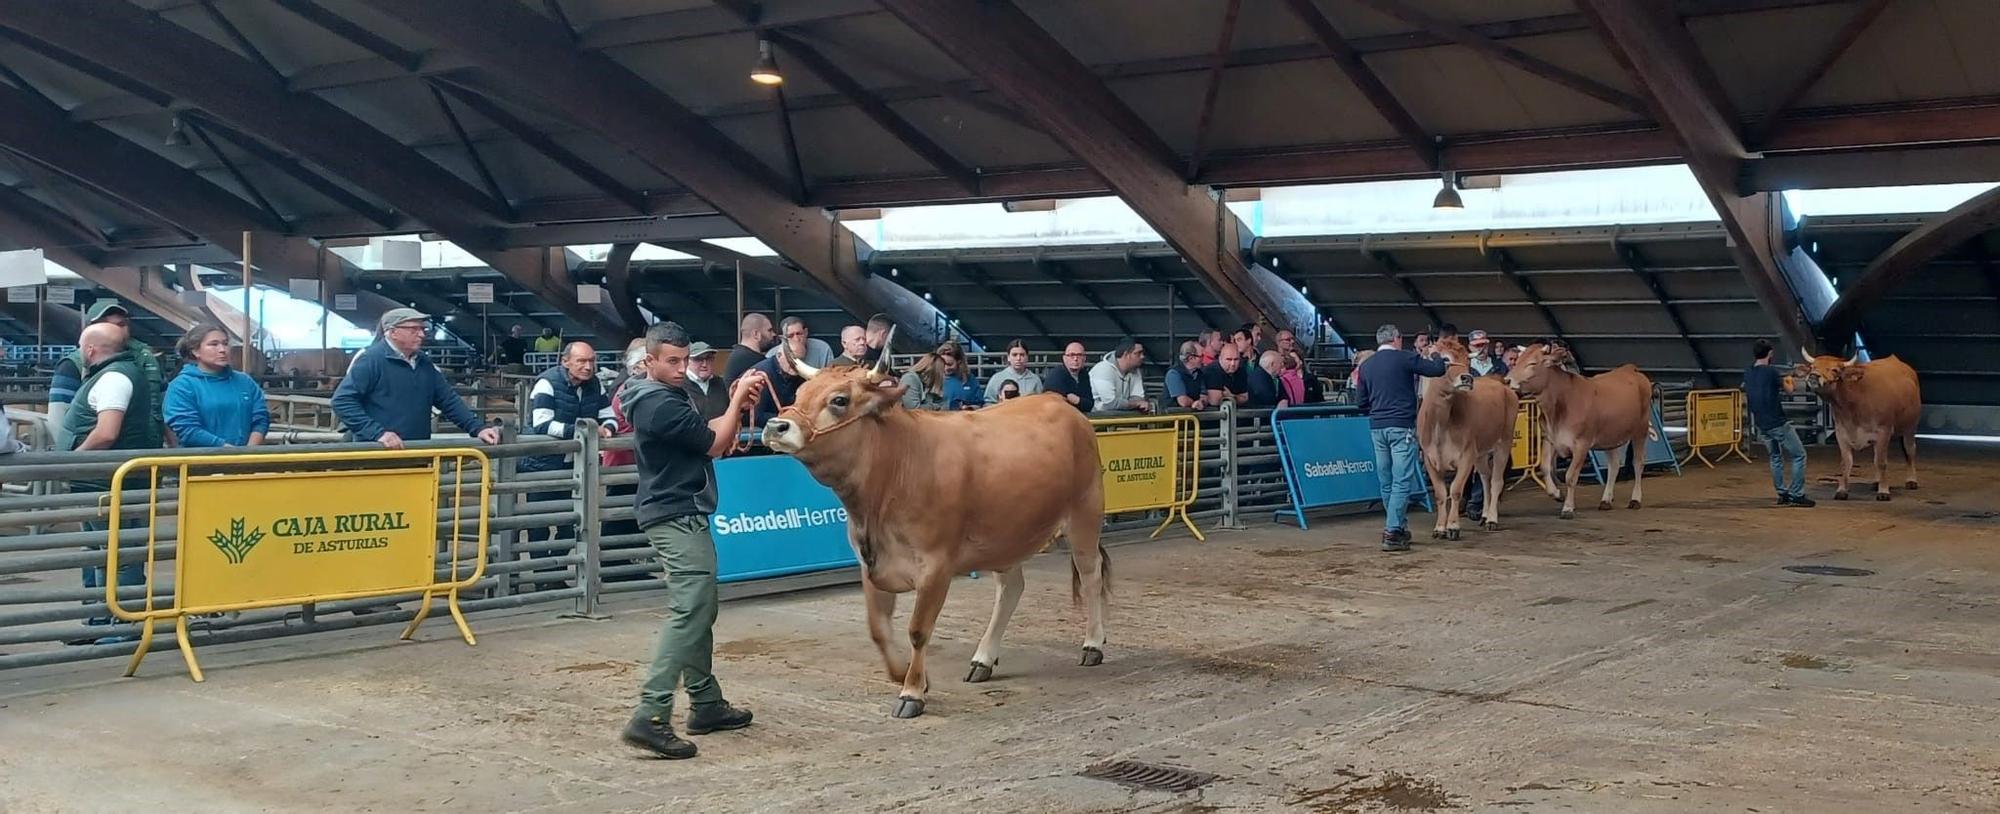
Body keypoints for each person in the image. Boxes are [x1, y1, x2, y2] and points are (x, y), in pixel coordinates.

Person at [619, 322, 766, 760]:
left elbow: (706, 429)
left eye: (686, 360)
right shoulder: (657, 404)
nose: (683, 369)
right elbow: (714, 444)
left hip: (680, 512)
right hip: (675, 513)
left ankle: (705, 703)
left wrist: (735, 405)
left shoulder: (660, 395)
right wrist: (738, 400)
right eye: (673, 362)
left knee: (700, 605)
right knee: (690, 610)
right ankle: (651, 712)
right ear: (650, 361)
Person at [60, 323, 163, 643]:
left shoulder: (114, 378)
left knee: (119, 554)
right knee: (99, 552)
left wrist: (74, 458)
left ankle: (123, 626)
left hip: (111, 482)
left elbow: (107, 432)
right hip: (100, 482)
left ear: (90, 350)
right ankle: (98, 620)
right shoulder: (116, 373)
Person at [332, 308, 501, 449]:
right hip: (378, 453)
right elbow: (342, 401)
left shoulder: (423, 362)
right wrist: (377, 433)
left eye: (423, 329)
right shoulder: (371, 360)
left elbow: (447, 399)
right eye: (413, 330)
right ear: (392, 332)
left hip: (417, 450)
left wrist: (477, 428)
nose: (421, 335)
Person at [521, 342, 615, 573]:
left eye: (592, 361)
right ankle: (542, 573)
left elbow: (607, 415)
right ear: (565, 361)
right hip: (542, 464)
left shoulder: (595, 384)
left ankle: (555, 568)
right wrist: (585, 431)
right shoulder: (546, 383)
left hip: (576, 463)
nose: (588, 366)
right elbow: (542, 424)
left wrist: (609, 429)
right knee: (540, 522)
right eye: (581, 361)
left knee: (573, 522)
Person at [1354, 324, 1448, 552]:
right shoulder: (1405, 358)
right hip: (1401, 425)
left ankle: (1397, 526)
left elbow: (1360, 403)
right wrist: (1435, 352)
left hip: (1377, 426)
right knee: (1401, 479)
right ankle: (1392, 530)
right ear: (1396, 339)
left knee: (1386, 479)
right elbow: (1437, 370)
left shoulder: (1366, 366)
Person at [50, 301, 164, 445]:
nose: (115, 329)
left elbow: (163, 404)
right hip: (98, 457)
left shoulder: (147, 359)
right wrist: (65, 458)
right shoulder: (71, 364)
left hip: (146, 450)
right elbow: (58, 418)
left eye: (121, 324)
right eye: (104, 324)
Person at [161, 323, 268, 448]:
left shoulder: (245, 381)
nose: (222, 349)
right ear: (195, 351)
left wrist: (249, 451)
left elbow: (260, 418)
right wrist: (225, 450)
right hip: (202, 461)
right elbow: (186, 428)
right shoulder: (182, 386)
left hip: (246, 460)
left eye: (225, 343)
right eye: (213, 344)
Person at [1745, 338, 1813, 507]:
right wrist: (1790, 378)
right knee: (1799, 455)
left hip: (1761, 423)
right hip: (1777, 421)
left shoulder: (1748, 371)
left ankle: (1782, 493)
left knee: (1775, 457)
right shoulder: (1772, 372)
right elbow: (1790, 390)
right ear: (1770, 354)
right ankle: (1797, 494)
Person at [898, 340, 981, 411]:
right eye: (942, 366)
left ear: (959, 362)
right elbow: (914, 410)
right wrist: (939, 407)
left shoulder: (970, 379)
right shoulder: (911, 379)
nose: (945, 369)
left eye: (949, 364)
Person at [1089, 338, 1150, 413]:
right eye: (1138, 353)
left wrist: (1134, 403)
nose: (1142, 356)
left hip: (1121, 417)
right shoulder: (1103, 369)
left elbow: (1138, 398)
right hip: (1096, 418)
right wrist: (1136, 404)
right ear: (1126, 354)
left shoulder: (1135, 370)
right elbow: (1110, 404)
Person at [762, 316, 833, 368]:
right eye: (790, 336)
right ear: (783, 338)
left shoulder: (822, 349)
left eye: (799, 334)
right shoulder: (772, 355)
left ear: (806, 332)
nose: (796, 339)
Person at [681, 342, 729, 419]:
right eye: (698, 359)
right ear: (687, 361)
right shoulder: (679, 385)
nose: (704, 364)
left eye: (709, 359)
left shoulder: (721, 383)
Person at [1042, 341, 1094, 413]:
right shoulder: (1055, 376)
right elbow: (1060, 407)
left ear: (1084, 358)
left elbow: (1090, 404)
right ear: (1064, 358)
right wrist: (1081, 402)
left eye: (1079, 355)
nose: (1075, 358)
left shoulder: (1084, 374)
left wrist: (1077, 400)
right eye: (1071, 355)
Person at [724, 313, 775, 384]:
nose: (773, 334)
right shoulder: (750, 360)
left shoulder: (739, 355)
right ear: (756, 334)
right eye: (769, 330)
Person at [1163, 341, 1207, 411]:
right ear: (1191, 358)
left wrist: (1201, 402)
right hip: (1173, 417)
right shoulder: (1174, 373)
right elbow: (1183, 401)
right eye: (1201, 356)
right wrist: (1195, 403)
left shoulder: (1199, 373)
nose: (1204, 359)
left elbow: (1204, 395)